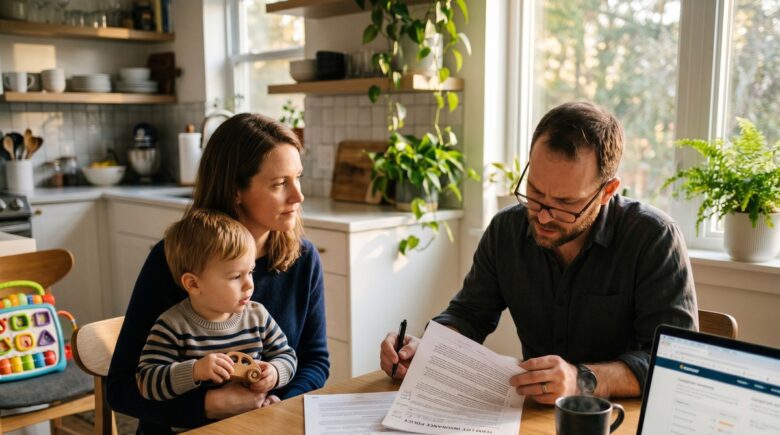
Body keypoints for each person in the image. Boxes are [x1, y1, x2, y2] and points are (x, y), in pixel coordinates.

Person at [380, 101, 697, 404]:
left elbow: (675, 363)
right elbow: (468, 315)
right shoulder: (507, 231)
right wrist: (431, 350)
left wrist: (580, 380)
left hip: (618, 418)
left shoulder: (653, 239)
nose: (543, 216)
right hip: (533, 416)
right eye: (535, 192)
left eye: (565, 203)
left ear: (607, 191)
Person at [108, 113, 329, 432]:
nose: (298, 196)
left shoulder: (304, 260)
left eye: (298, 178)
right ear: (235, 190)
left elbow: (315, 363)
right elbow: (122, 389)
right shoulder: (172, 259)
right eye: (280, 184)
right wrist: (207, 406)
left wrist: (274, 405)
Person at [136, 209, 297, 408]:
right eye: (236, 277)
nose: (249, 285)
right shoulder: (172, 326)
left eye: (251, 272)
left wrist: (275, 372)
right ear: (193, 284)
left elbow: (287, 356)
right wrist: (195, 370)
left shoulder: (258, 316)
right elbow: (147, 382)